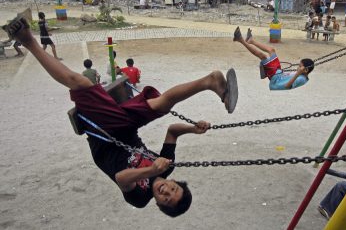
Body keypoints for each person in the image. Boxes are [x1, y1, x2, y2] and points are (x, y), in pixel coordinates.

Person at [3, 17, 239, 217]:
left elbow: (122, 178)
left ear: (158, 204)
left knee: (80, 83)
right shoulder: (167, 167)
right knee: (160, 104)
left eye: (166, 199)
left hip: (105, 138)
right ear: (177, 182)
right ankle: (210, 81)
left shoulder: (140, 198)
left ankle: (29, 41)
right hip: (126, 129)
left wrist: (150, 171)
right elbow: (172, 131)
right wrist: (193, 128)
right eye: (174, 190)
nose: (166, 191)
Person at [233, 27, 314, 90]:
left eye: (300, 66)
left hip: (276, 79)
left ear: (306, 70)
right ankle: (251, 41)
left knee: (263, 56)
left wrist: (298, 73)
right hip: (278, 73)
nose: (298, 68)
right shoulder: (303, 75)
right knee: (271, 50)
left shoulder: (301, 79)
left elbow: (287, 86)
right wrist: (299, 72)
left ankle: (240, 40)